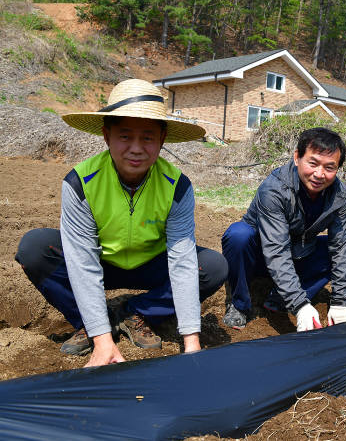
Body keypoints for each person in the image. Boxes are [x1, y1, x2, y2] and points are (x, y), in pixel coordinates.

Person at [15, 79, 228, 367]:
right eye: (125, 136)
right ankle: (90, 324)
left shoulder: (177, 186)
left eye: (148, 138)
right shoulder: (81, 183)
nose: (136, 149)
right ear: (107, 136)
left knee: (213, 266)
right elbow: (83, 262)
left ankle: (134, 312)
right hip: (102, 260)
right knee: (35, 247)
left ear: (162, 140)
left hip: (152, 264)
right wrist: (103, 341)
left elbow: (181, 259)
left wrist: (192, 343)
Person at [221, 127, 346, 332]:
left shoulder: (339, 195)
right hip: (260, 255)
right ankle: (239, 303)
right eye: (313, 163)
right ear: (297, 158)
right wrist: (300, 305)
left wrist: (341, 301)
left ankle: (278, 299)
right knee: (238, 235)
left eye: (330, 167)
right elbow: (276, 250)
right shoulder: (274, 189)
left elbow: (341, 246)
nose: (319, 174)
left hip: (299, 252)